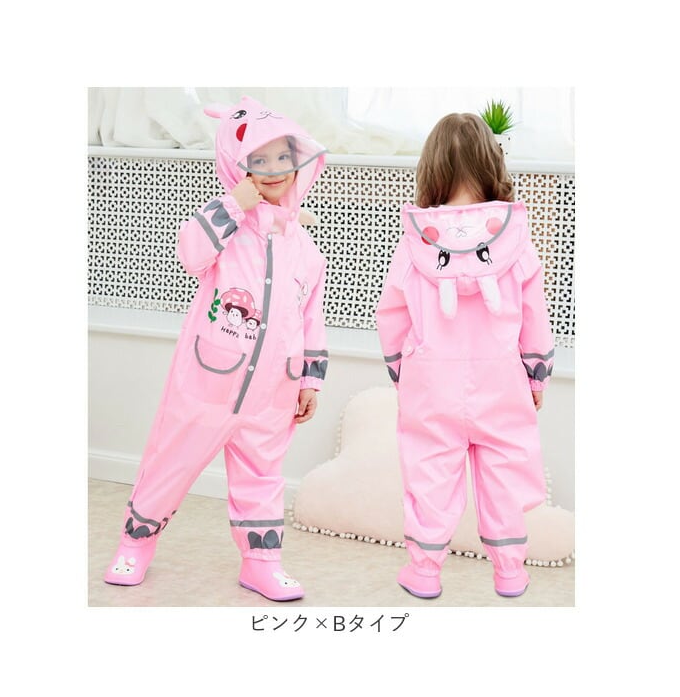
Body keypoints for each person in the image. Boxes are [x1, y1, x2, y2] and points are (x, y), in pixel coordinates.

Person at [103, 96, 329, 602]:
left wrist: (310, 379)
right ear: (236, 166)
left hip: (273, 390)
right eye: (259, 160)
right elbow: (191, 254)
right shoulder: (226, 227)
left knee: (262, 476)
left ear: (300, 164)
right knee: (172, 461)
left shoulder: (306, 250)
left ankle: (261, 563)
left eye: (284, 157)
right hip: (208, 381)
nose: (275, 169)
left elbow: (310, 319)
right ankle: (135, 545)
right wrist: (233, 205)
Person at [375, 113, 554, 599]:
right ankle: (510, 571)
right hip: (502, 377)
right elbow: (534, 314)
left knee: (430, 470)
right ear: (492, 162)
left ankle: (425, 570)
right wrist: (536, 375)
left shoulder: (415, 240)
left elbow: (391, 313)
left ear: (431, 168)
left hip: (430, 380)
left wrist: (400, 372)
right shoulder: (514, 236)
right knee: (503, 471)